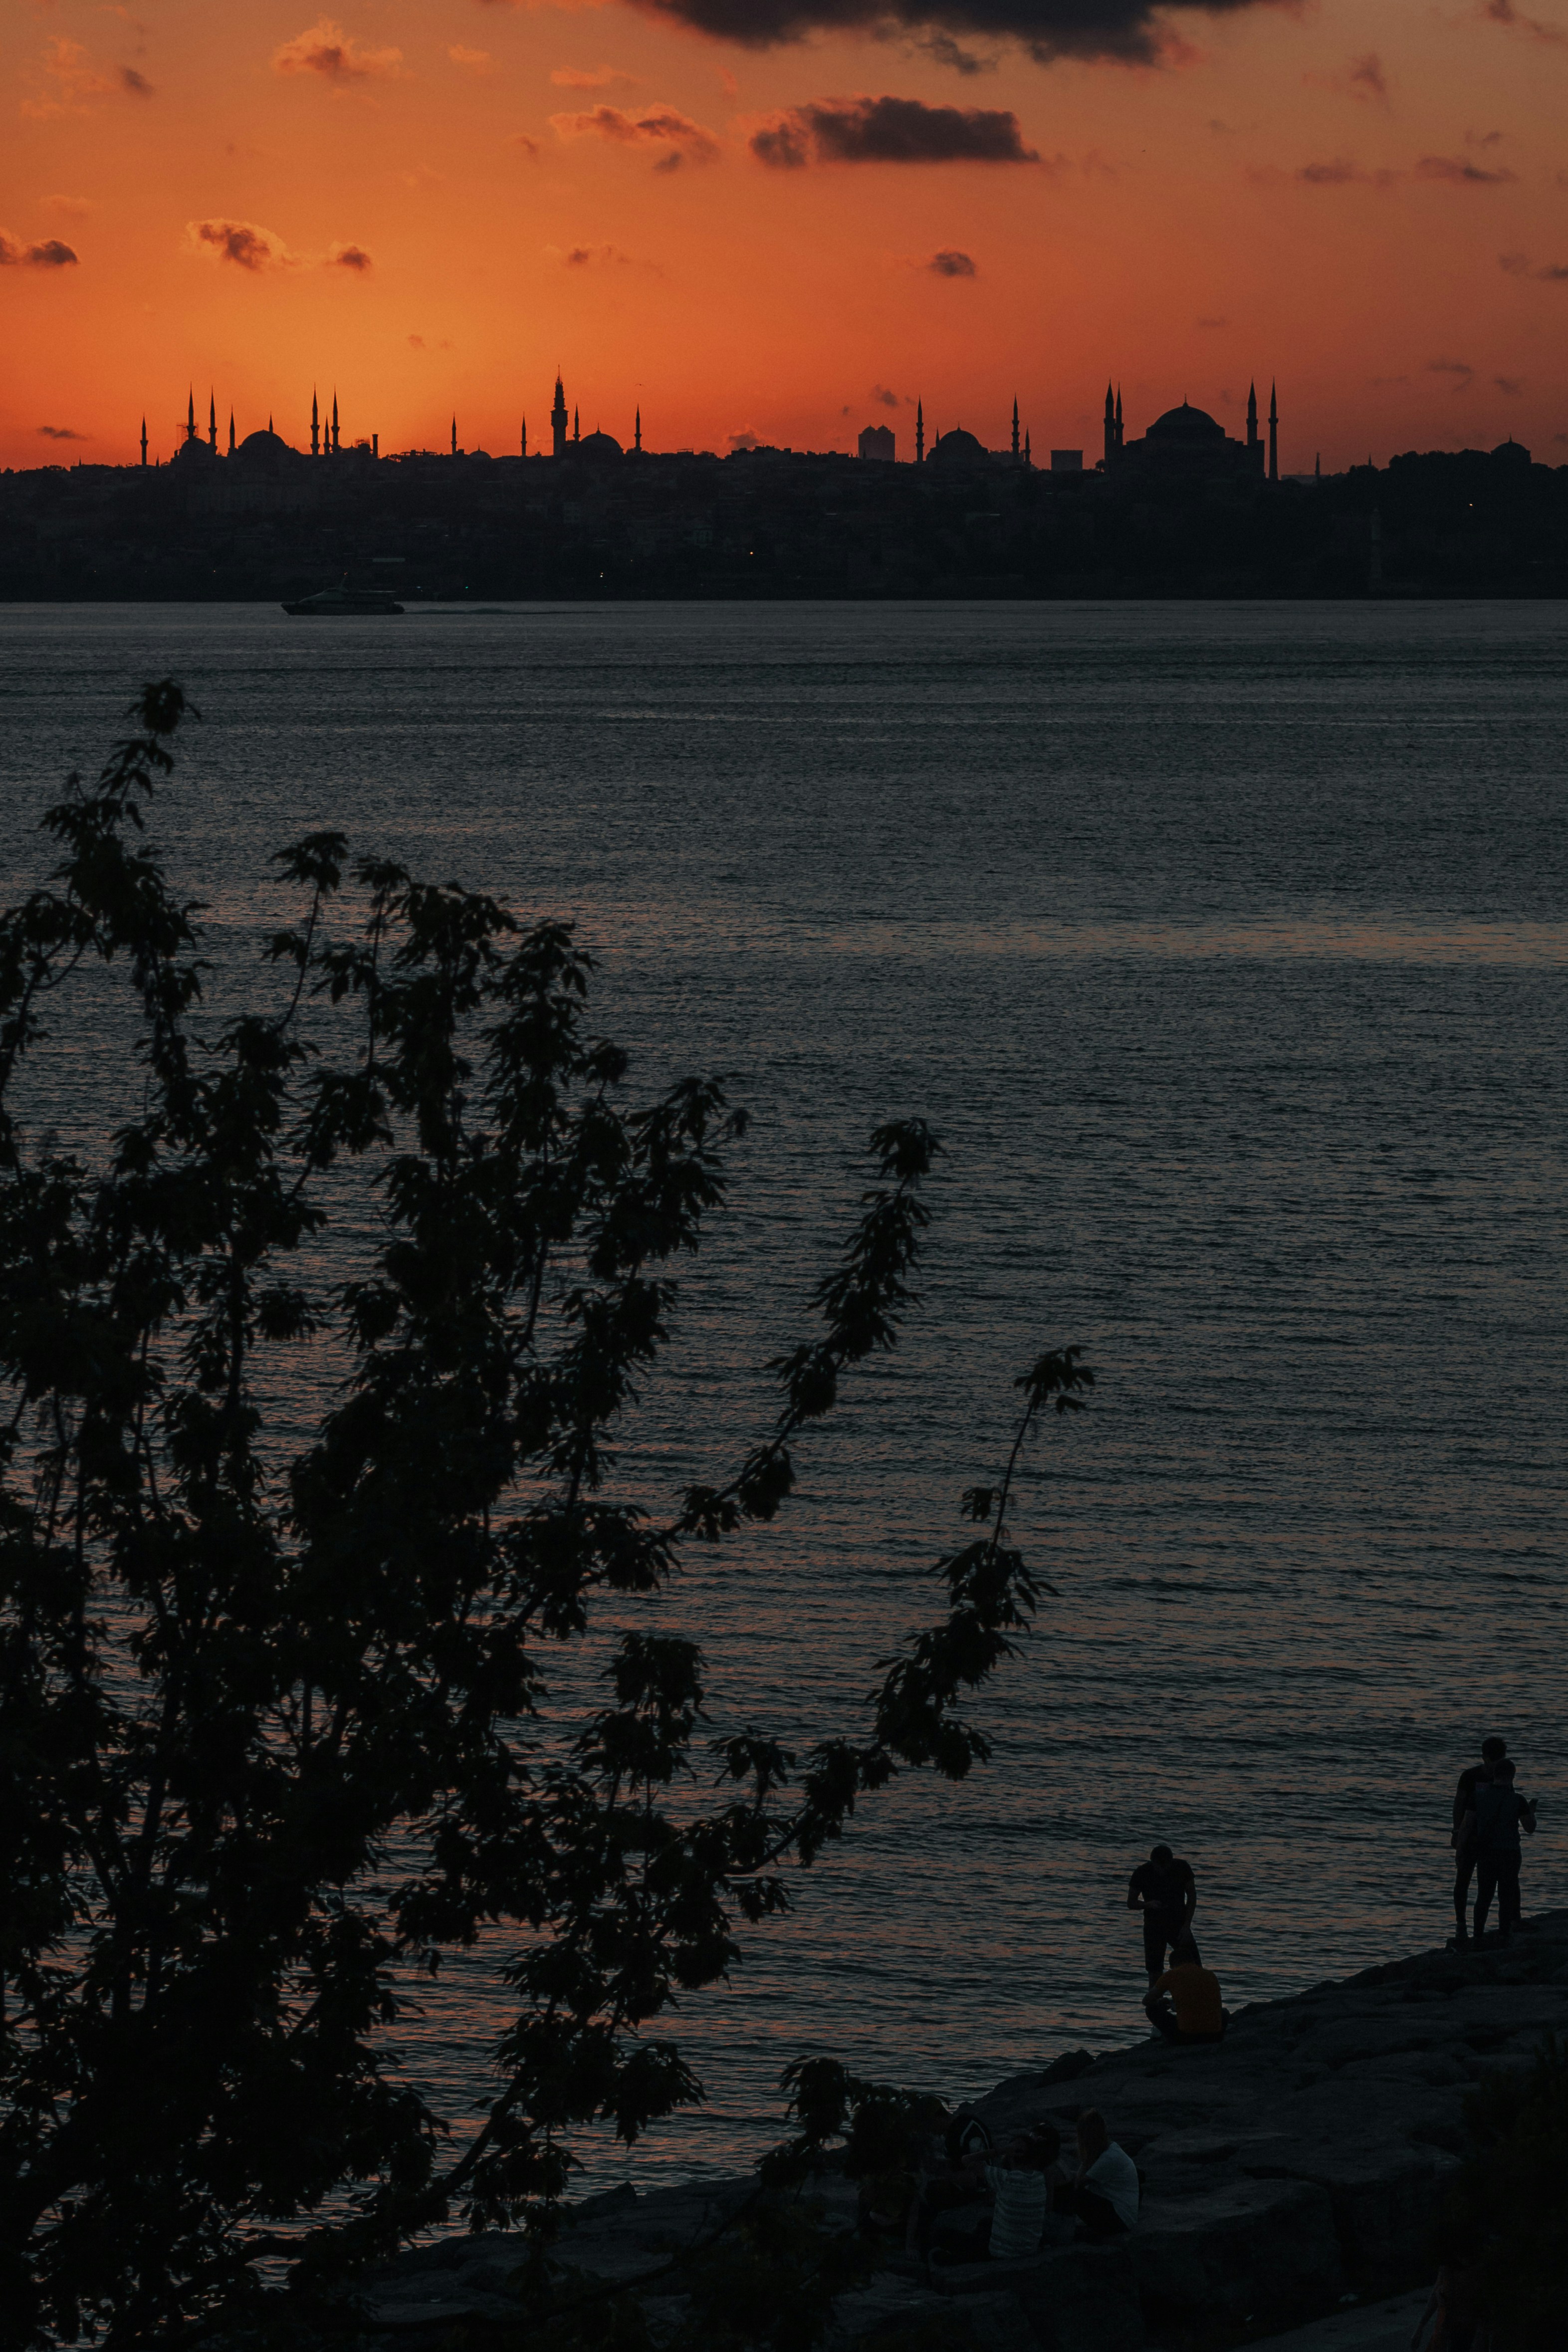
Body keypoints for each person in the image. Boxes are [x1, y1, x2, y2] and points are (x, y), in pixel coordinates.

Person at [926, 2126, 1059, 2266]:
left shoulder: (1006, 2178)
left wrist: (1001, 2150)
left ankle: (955, 2262)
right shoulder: (1039, 2178)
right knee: (986, 2223)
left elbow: (966, 2161)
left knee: (940, 2235)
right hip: (1028, 2249)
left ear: (1011, 2156)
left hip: (1001, 2253)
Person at [1466, 1757, 1537, 1946]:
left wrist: (1460, 1846)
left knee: (1484, 1895)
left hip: (1486, 1852)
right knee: (1507, 1894)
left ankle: (1478, 1936)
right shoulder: (1518, 1800)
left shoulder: (1479, 1797)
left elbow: (1467, 1825)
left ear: (1494, 1775)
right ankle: (1505, 1935)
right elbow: (1530, 1828)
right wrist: (1531, 1812)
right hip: (1509, 1852)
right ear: (1512, 1777)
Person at [1049, 2110, 1139, 2242]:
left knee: (1070, 2194)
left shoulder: (1109, 2158)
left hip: (1119, 2220)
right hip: (1120, 2214)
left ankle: (1057, 2228)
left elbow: (1078, 2184)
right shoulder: (1110, 2150)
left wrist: (1087, 2159)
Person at [1451, 1737, 1507, 1948]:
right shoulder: (1470, 1776)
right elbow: (1459, 1804)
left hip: (1491, 1839)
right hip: (1470, 1836)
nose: (1495, 1765)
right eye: (1493, 1760)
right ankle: (1461, 1925)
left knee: (1487, 1886)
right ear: (1484, 1758)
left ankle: (1479, 1930)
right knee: (1462, 1881)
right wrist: (1457, 1831)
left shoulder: (1503, 1776)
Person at [1144, 1931, 1229, 2045]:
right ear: (1192, 1961)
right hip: (1215, 2036)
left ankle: (1171, 2040)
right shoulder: (1210, 1975)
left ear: (1173, 1965)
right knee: (1224, 2012)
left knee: (1151, 2010)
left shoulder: (1171, 1975)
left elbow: (1147, 2001)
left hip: (1187, 2037)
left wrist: (1161, 2004)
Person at [1127, 1843, 1197, 1982]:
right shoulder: (1142, 1872)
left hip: (1179, 1925)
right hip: (1154, 1926)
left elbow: (1192, 1896)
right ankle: (1155, 2002)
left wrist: (1187, 1926)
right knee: (1155, 1970)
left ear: (1172, 1862)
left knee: (1194, 1965)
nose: (1163, 1870)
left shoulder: (1182, 1868)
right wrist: (1149, 1904)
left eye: (1166, 1866)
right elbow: (1131, 1903)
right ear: (1153, 1863)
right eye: (1159, 1866)